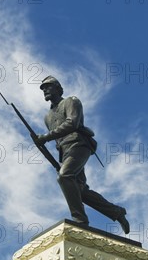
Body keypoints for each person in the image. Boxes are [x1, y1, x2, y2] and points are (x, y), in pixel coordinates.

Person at [32, 75, 130, 234]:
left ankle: (80, 220)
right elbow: (58, 142)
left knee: (65, 177)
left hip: (79, 144)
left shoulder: (71, 101)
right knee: (79, 190)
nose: (45, 90)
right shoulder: (47, 117)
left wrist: (45, 138)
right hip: (65, 152)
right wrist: (44, 146)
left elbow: (72, 123)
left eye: (49, 87)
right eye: (43, 88)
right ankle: (116, 212)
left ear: (59, 89)